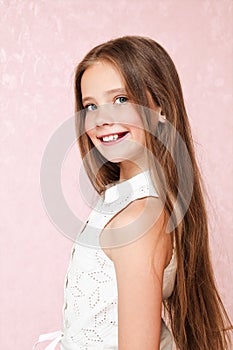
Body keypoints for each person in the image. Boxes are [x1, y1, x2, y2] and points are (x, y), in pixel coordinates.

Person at [33, 36, 232, 349]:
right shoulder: (119, 202)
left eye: (121, 99)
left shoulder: (140, 219)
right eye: (90, 106)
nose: (102, 118)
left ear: (160, 106)